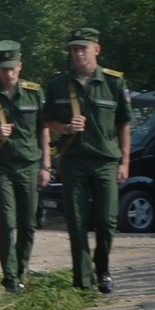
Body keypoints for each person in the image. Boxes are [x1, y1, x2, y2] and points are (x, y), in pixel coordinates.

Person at [43, 27, 130, 293]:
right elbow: (46, 121)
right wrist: (66, 128)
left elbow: (124, 123)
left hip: (105, 160)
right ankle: (83, 280)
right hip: (73, 160)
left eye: (83, 47)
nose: (78, 53)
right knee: (77, 220)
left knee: (106, 220)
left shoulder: (114, 82)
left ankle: (102, 269)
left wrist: (125, 161)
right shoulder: (58, 83)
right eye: (73, 48)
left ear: (96, 49)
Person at [0, 41, 48, 293]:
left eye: (13, 68)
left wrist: (45, 165)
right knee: (6, 221)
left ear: (20, 66)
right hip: (0, 166)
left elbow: (43, 130)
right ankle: (10, 278)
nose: (9, 73)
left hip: (28, 165)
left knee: (28, 222)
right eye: (4, 69)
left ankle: (21, 269)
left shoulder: (34, 93)